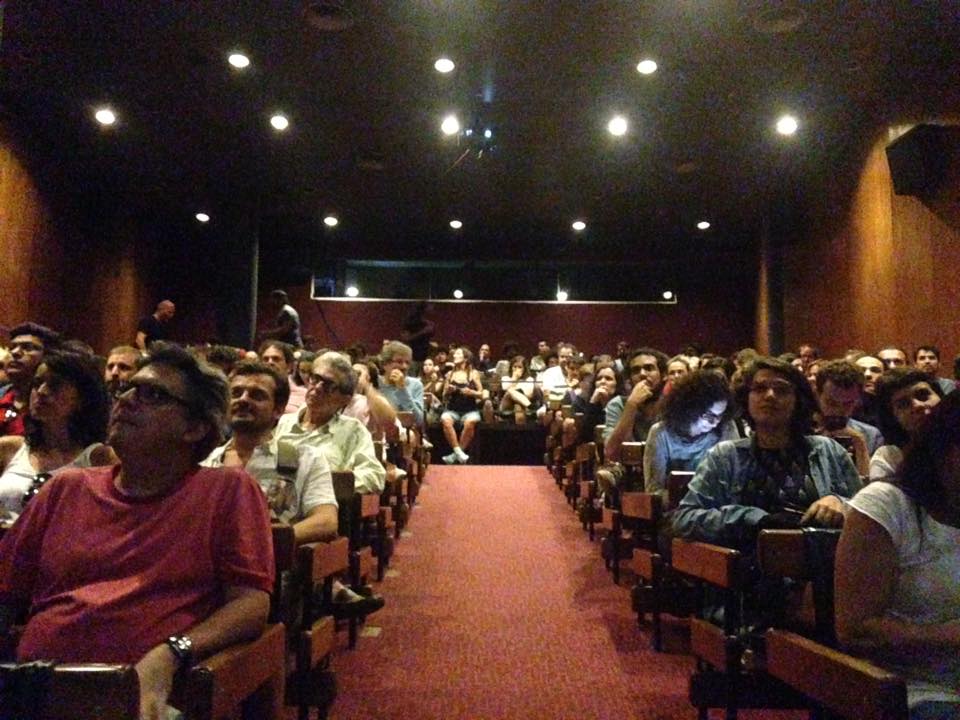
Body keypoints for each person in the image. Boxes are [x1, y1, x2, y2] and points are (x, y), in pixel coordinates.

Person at [0, 342, 274, 720]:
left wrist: (171, 653)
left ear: (195, 428)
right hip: (35, 692)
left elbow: (251, 605)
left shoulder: (226, 490)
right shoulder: (66, 488)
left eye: (153, 395)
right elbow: (6, 591)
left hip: (148, 698)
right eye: (127, 389)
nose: (127, 399)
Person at [836, 392, 960, 717]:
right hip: (912, 689)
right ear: (943, 448)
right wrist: (947, 636)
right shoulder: (890, 506)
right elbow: (857, 630)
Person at [673, 357, 861, 548]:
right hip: (747, 561)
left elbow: (866, 513)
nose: (770, 395)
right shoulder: (725, 456)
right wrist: (749, 518)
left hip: (818, 560)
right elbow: (684, 519)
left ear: (798, 400)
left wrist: (840, 503)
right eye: (759, 389)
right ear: (746, 398)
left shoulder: (828, 451)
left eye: (781, 390)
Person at [0, 351, 115, 523]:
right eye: (37, 383)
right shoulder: (8, 448)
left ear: (83, 398)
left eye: (55, 385)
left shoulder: (101, 458)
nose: (41, 391)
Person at [275, 351, 386, 495]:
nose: (317, 387)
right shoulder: (284, 422)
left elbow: (374, 476)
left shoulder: (352, 430)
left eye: (328, 385)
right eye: (315, 379)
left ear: (345, 399)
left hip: (325, 503)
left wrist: (324, 483)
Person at [643, 370, 740, 497]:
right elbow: (654, 490)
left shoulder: (725, 428)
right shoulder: (661, 433)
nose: (715, 423)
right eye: (709, 415)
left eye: (720, 416)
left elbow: (734, 483)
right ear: (689, 409)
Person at [869, 368, 943, 481]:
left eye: (923, 395)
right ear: (893, 418)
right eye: (903, 404)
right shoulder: (889, 458)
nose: (917, 405)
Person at [813, 359, 884, 474]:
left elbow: (872, 482)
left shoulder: (870, 435)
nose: (839, 411)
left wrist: (860, 445)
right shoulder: (799, 430)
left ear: (858, 400)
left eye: (848, 403)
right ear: (817, 394)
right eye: (831, 403)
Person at [0, 323, 61, 437]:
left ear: (48, 357)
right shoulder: (3, 396)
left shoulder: (54, 404)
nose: (15, 352)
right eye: (12, 347)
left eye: (28, 347)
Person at [440, 347, 484, 464]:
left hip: (470, 410)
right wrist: (448, 391)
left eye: (458, 354)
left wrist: (471, 392)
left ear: (465, 358)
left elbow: (481, 394)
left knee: (470, 422)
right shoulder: (450, 374)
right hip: (452, 410)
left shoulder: (473, 374)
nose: (454, 356)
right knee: (445, 420)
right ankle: (459, 453)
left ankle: (454, 456)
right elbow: (443, 396)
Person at [379, 341, 425, 427]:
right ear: (385, 364)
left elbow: (419, 421)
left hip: (406, 431)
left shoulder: (415, 385)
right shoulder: (376, 383)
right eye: (399, 362)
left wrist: (402, 389)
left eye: (407, 362)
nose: (404, 367)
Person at [259, 340, 306, 413]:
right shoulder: (249, 393)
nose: (270, 362)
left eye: (276, 359)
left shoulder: (304, 396)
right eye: (265, 359)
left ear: (289, 366)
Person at [400, 301, 435, 373]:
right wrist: (423, 332)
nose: (432, 309)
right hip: (413, 357)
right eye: (430, 307)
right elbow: (405, 338)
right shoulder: (410, 321)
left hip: (426, 357)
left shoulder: (429, 323)